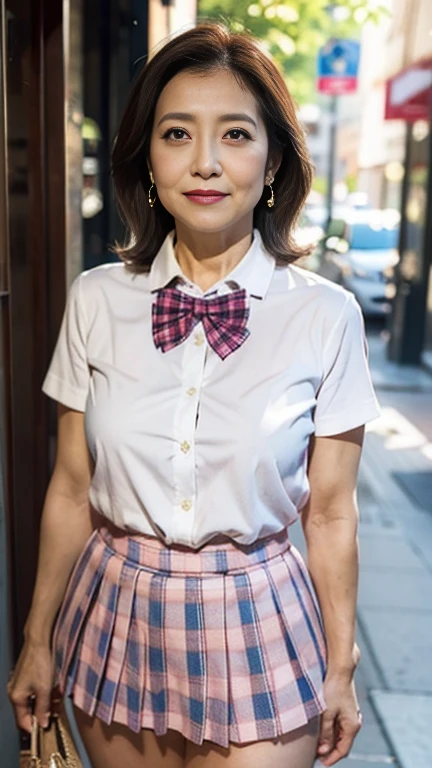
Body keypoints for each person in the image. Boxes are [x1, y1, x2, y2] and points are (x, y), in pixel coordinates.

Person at [7, 22, 381, 768]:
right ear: (148, 157)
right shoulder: (95, 300)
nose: (205, 162)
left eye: (236, 134)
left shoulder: (325, 315)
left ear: (273, 160)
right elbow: (71, 488)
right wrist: (37, 639)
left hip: (260, 615)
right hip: (117, 608)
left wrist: (341, 667)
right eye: (177, 133)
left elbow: (332, 513)